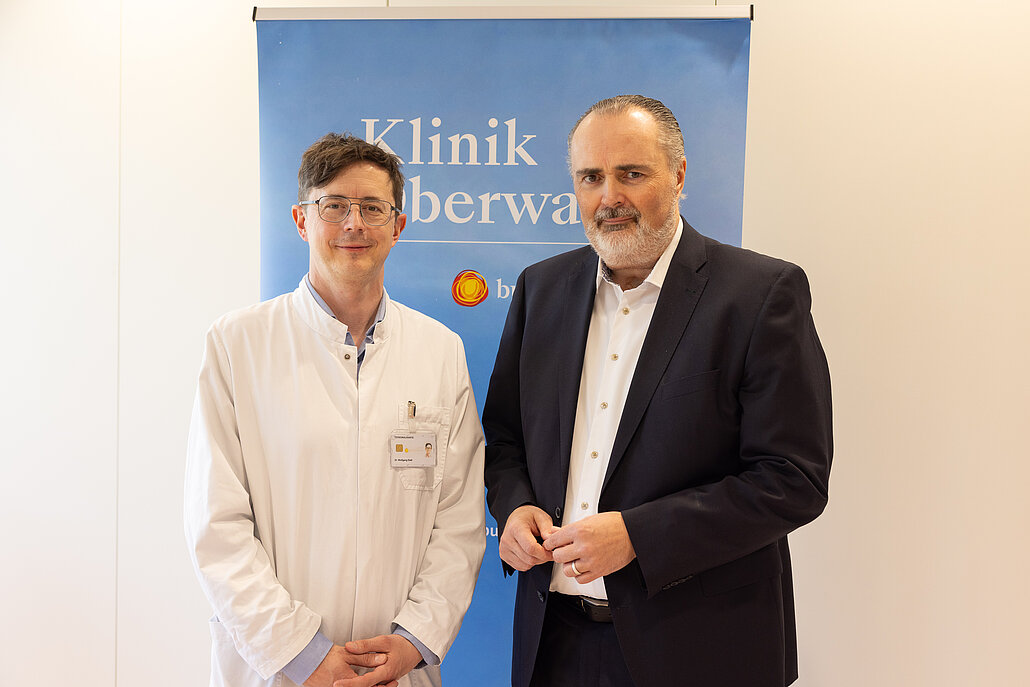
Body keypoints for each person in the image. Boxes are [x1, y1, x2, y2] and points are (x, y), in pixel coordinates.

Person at [482, 95, 832, 687]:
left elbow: (792, 480)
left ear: (678, 175)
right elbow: (505, 437)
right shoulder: (541, 289)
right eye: (591, 177)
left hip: (701, 647)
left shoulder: (760, 293)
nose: (609, 197)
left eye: (631, 174)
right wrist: (513, 508)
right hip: (554, 643)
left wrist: (639, 537)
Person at [185, 133, 485, 687]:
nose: (354, 224)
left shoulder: (440, 351)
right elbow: (217, 523)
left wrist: (414, 639)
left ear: (398, 225)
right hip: (278, 669)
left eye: (372, 208)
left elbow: (460, 519)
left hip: (394, 669)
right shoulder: (237, 344)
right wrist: (301, 653)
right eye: (334, 206)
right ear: (302, 220)